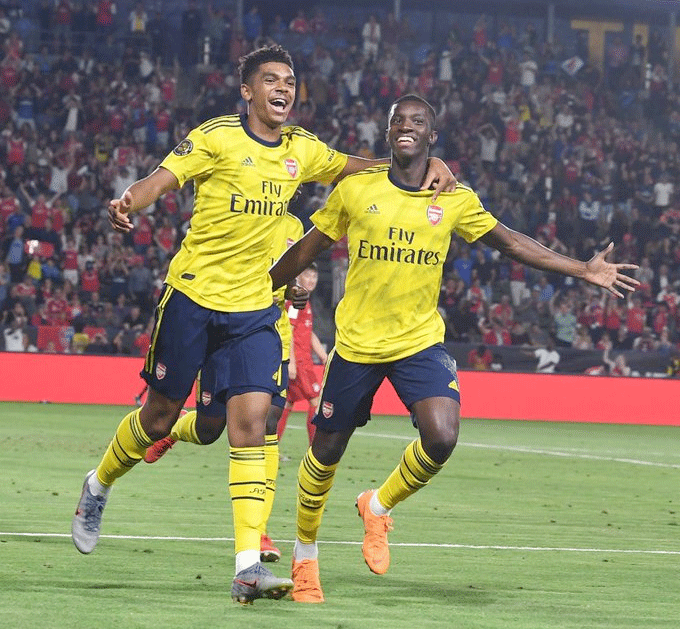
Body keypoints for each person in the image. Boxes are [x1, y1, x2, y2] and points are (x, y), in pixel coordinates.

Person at [71, 46, 456, 605]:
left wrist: (433, 165)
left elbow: (362, 166)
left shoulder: (303, 148)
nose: (283, 89)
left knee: (252, 426)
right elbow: (165, 175)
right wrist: (131, 199)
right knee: (158, 418)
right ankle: (99, 484)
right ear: (247, 91)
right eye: (270, 80)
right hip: (194, 297)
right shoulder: (218, 136)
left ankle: (247, 566)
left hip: (254, 310)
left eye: (290, 81)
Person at [268, 94, 639, 603]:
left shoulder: (456, 198)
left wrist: (582, 268)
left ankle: (376, 507)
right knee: (325, 451)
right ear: (387, 131)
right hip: (357, 343)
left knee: (441, 437)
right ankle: (305, 557)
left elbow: (508, 242)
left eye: (417, 122)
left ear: (431, 136)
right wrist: (263, 286)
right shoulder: (356, 190)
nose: (406, 127)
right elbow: (310, 246)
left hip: (419, 340)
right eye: (398, 119)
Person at [143, 211, 307, 564]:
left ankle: (260, 532)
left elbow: (284, 277)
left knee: (269, 425)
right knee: (208, 429)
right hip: (227, 330)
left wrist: (295, 292)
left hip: (269, 335)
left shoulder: (294, 227)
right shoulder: (242, 213)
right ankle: (175, 431)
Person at [276, 262, 327, 446]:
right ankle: (315, 448)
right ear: (299, 277)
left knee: (287, 403)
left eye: (314, 276)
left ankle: (271, 448)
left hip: (301, 361)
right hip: (299, 362)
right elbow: (287, 328)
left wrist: (323, 355)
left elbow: (308, 331)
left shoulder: (305, 301)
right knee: (316, 399)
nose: (312, 280)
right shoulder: (295, 302)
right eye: (308, 276)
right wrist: (290, 362)